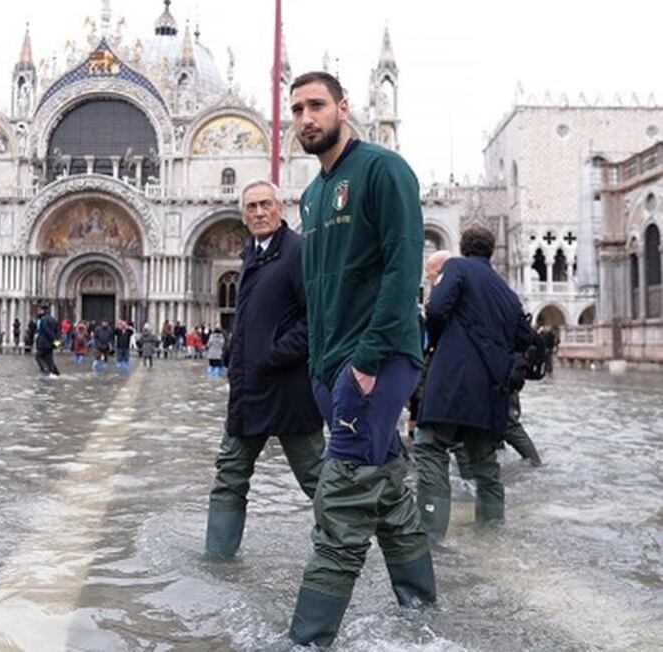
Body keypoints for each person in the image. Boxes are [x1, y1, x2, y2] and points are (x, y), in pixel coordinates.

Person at [287, 71, 436, 646]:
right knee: (388, 483)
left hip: (377, 359)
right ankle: (422, 611)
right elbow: (318, 287)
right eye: (297, 108)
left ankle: (306, 640)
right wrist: (319, 366)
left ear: (343, 107)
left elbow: (403, 269)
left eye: (316, 105)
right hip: (332, 368)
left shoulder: (382, 169)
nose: (306, 118)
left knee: (341, 497)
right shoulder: (312, 193)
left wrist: (367, 361)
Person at [203, 179, 326, 562]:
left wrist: (272, 355)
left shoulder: (298, 251)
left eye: (265, 205)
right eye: (251, 206)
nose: (258, 212)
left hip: (288, 389)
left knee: (315, 477)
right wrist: (238, 359)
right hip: (250, 390)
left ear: (281, 209)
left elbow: (316, 320)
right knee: (230, 474)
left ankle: (344, 547)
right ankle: (217, 563)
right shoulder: (250, 255)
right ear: (243, 215)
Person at [415, 225, 534, 544]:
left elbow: (437, 309)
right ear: (492, 250)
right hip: (490, 389)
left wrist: (441, 340)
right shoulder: (506, 291)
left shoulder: (457, 267)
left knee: (429, 448)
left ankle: (431, 535)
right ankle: (491, 530)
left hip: (453, 377)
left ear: (464, 247)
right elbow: (524, 338)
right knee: (484, 461)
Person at [35, 306, 60, 376]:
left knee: (38, 356)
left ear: (43, 311)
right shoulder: (54, 320)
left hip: (43, 343)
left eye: (40, 311)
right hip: (51, 344)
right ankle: (55, 372)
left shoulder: (43, 320)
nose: (38, 312)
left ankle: (46, 370)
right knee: (49, 358)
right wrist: (56, 342)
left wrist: (52, 338)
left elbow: (46, 331)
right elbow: (57, 332)